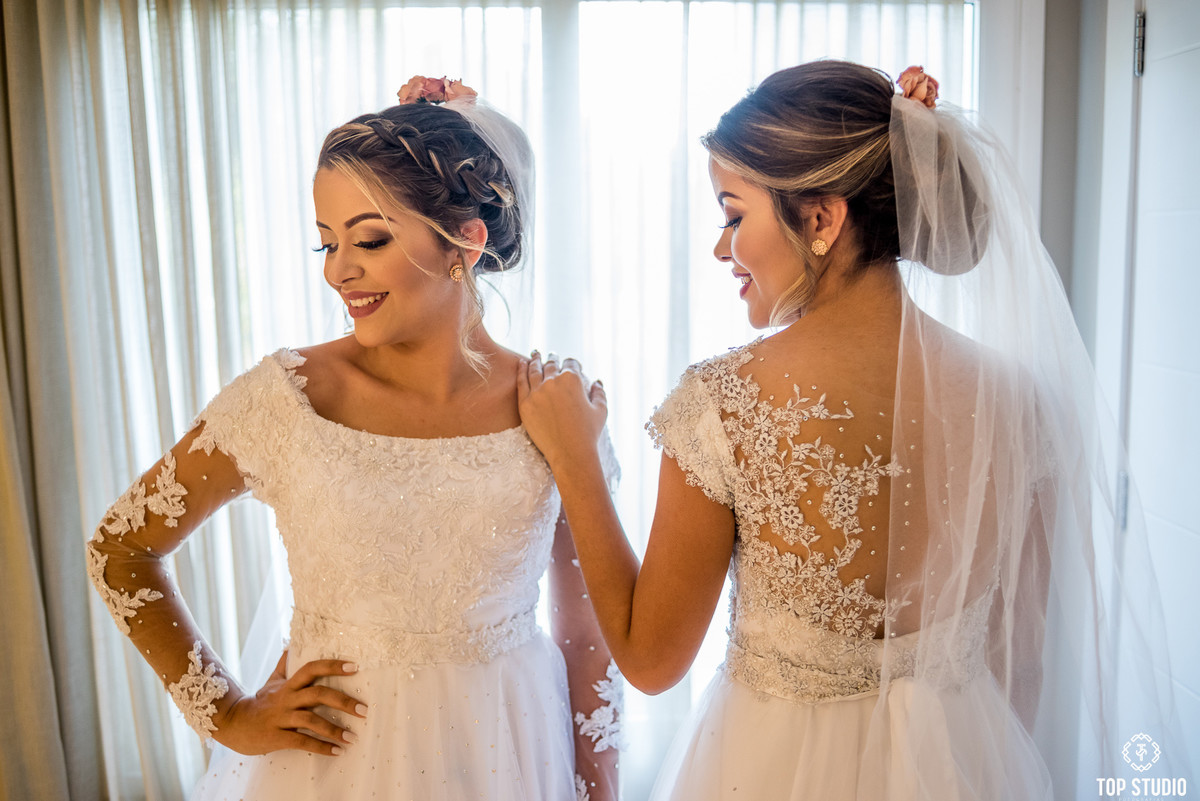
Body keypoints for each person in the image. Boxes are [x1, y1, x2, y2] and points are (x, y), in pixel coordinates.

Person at [517, 61, 1187, 799]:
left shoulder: (726, 403)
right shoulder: (1020, 404)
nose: (720, 248)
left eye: (735, 215)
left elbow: (650, 661)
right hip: (965, 765)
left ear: (822, 218)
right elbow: (1018, 663)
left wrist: (577, 456)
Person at [86, 76, 620, 801]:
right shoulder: (290, 397)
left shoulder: (553, 405)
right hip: (332, 764)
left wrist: (598, 791)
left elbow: (588, 637)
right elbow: (120, 548)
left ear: (466, 240)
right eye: (326, 245)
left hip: (507, 754)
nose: (340, 270)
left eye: (369, 239)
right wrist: (229, 716)